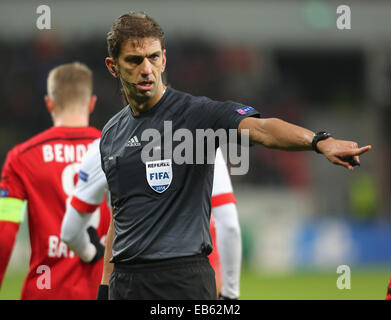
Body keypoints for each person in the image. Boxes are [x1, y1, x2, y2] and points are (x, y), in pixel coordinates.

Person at [100, 12, 371, 300]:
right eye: (134, 60)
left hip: (181, 281)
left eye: (153, 58)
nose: (146, 69)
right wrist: (105, 288)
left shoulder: (195, 115)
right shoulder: (111, 134)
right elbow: (119, 217)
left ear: (164, 59)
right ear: (113, 66)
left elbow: (264, 129)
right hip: (125, 284)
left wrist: (319, 142)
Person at [61, 140, 242, 300]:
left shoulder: (107, 144)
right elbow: (229, 223)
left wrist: (93, 258)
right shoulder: (201, 141)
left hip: (130, 281)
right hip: (189, 280)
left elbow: (71, 232)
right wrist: (230, 294)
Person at [0, 62, 110, 299]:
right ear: (92, 102)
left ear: (49, 103)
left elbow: (5, 231)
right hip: (102, 291)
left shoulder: (22, 158)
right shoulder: (114, 149)